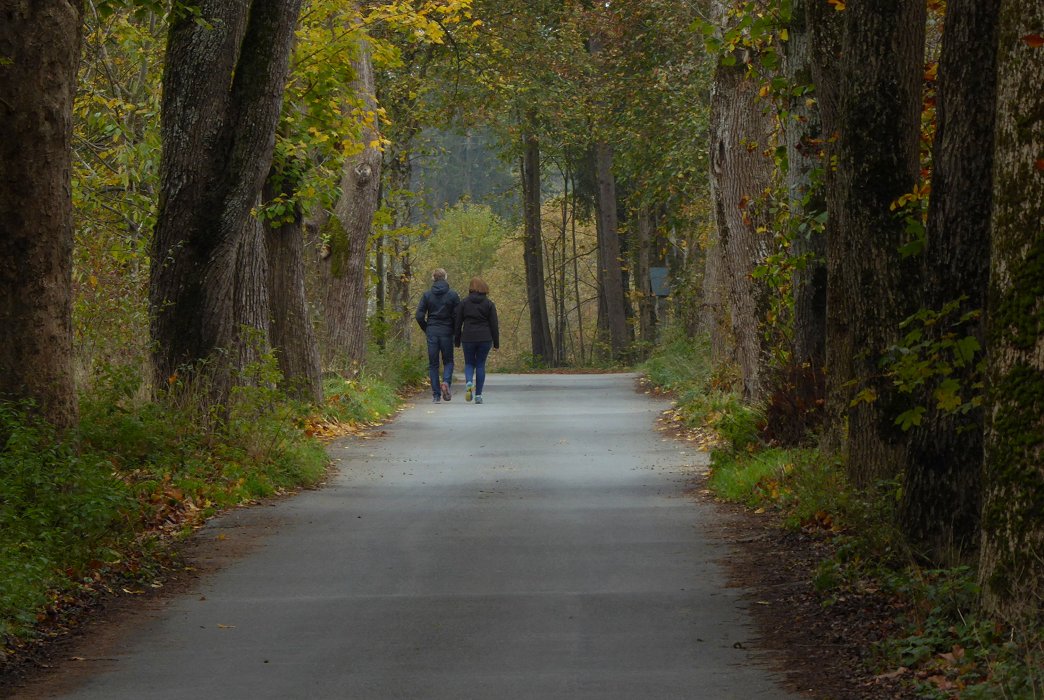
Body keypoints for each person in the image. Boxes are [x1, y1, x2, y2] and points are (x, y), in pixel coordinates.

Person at [416, 268, 460, 403]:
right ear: (445, 278)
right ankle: (446, 382)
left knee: (433, 364)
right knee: (448, 361)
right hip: (447, 331)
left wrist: (427, 328)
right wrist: (455, 330)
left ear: (433, 278)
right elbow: (458, 316)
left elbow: (419, 315)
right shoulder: (453, 295)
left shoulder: (427, 295)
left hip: (432, 332)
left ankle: (436, 395)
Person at [454, 276, 499, 404]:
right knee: (480, 364)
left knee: (469, 363)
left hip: (468, 337)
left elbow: (458, 323)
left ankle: (469, 382)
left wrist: (457, 340)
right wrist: (496, 343)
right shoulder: (489, 304)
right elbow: (494, 325)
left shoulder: (463, 303)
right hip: (485, 338)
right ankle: (478, 395)